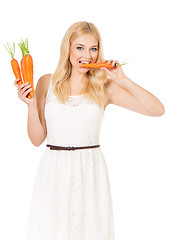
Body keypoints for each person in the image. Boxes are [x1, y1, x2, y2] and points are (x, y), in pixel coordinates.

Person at [14, 21, 165, 240]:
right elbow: (37, 139)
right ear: (68, 48)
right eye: (80, 47)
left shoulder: (104, 87)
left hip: (90, 171)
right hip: (54, 172)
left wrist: (122, 79)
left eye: (93, 49)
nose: (88, 55)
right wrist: (29, 106)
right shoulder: (47, 83)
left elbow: (157, 109)